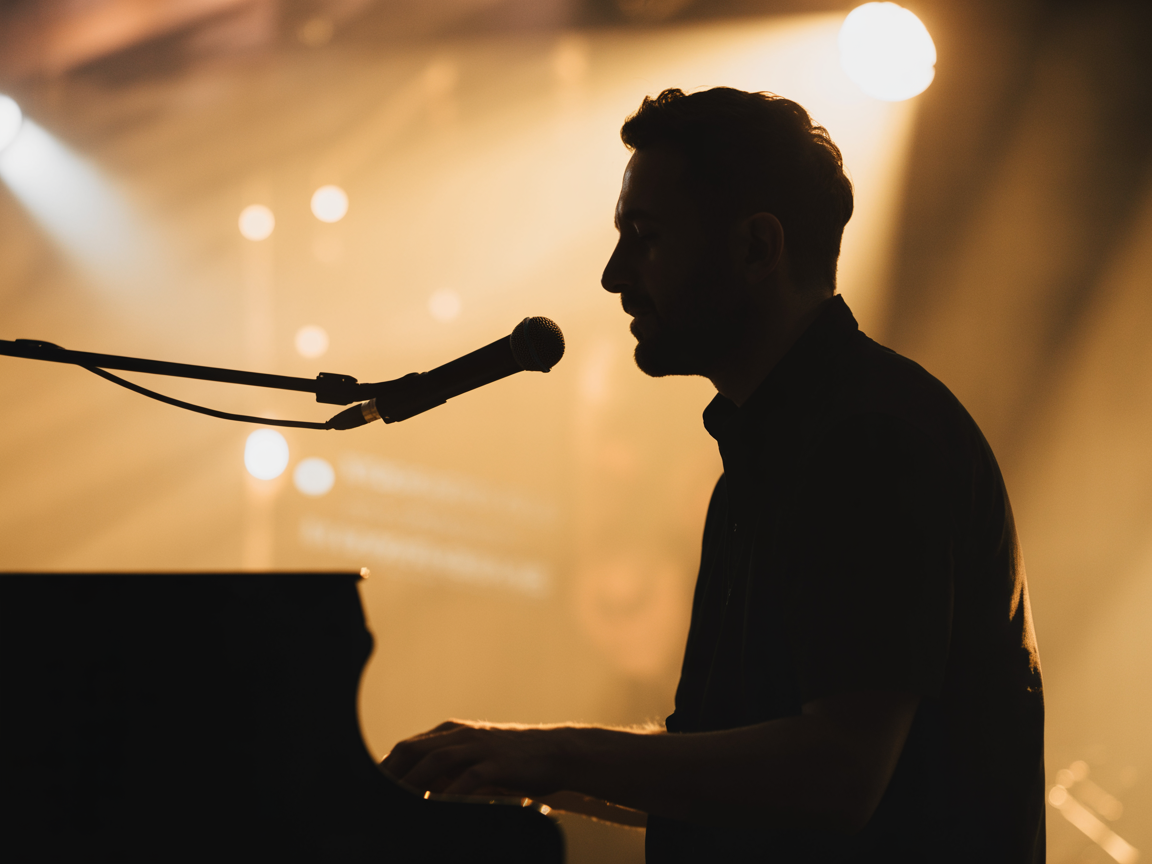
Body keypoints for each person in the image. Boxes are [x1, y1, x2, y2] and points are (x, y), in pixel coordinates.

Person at [381, 87, 1045, 863]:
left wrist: (551, 754)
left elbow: (837, 774)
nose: (613, 275)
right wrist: (509, 763)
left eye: (645, 237)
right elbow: (727, 773)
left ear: (758, 248)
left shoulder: (870, 442)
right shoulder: (772, 455)